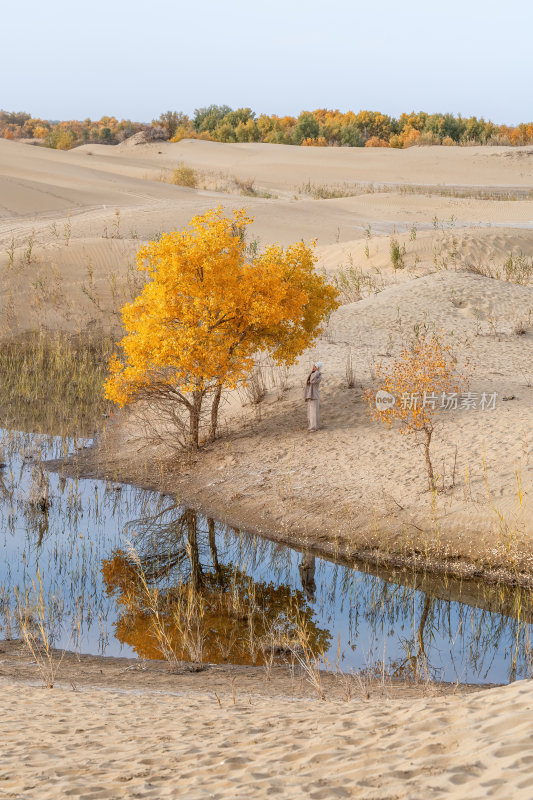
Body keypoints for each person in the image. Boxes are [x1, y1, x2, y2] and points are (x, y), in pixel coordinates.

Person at [304, 361, 323, 432]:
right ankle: (313, 426)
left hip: (314, 395)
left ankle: (313, 427)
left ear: (318, 368)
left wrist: (316, 372)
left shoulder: (317, 374)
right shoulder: (315, 374)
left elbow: (312, 381)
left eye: (315, 366)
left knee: (313, 412)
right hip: (311, 395)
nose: (313, 367)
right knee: (311, 412)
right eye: (313, 366)